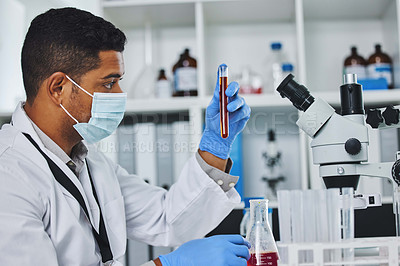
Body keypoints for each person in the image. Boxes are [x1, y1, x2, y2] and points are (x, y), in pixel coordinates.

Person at [0, 7, 251, 266]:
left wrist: (216, 145)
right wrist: (165, 265)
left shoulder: (89, 161)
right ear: (58, 88)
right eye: (109, 83)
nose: (120, 94)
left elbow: (167, 218)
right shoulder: (9, 177)